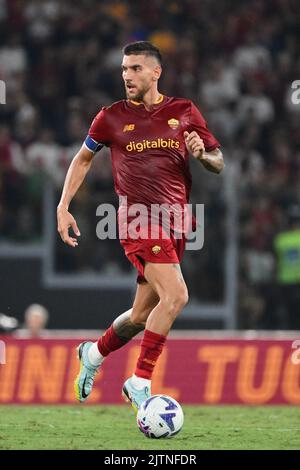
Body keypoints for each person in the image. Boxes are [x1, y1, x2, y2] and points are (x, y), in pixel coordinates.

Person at [57, 41, 224, 411]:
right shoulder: (110, 117)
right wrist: (63, 205)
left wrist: (202, 155)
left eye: (134, 69)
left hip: (176, 223)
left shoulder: (184, 111)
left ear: (155, 72)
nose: (126, 76)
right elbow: (82, 160)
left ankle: (93, 354)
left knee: (141, 316)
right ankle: (140, 381)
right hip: (137, 220)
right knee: (177, 296)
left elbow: (218, 161)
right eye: (124, 69)